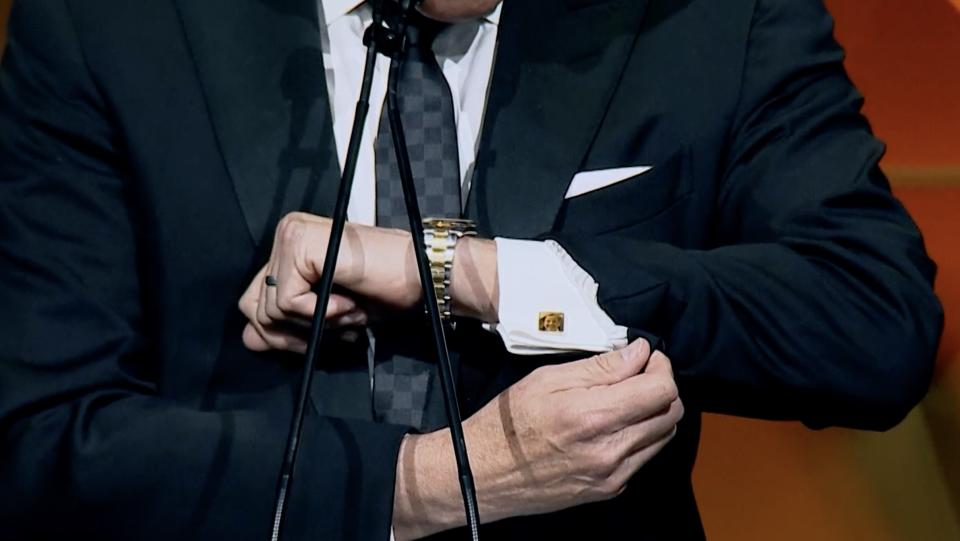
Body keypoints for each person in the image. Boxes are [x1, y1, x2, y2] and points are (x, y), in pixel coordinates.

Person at [0, 0, 942, 540]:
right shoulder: (108, 21)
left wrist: (470, 271)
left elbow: (877, 317)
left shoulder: (709, 15)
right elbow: (40, 442)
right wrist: (435, 481)